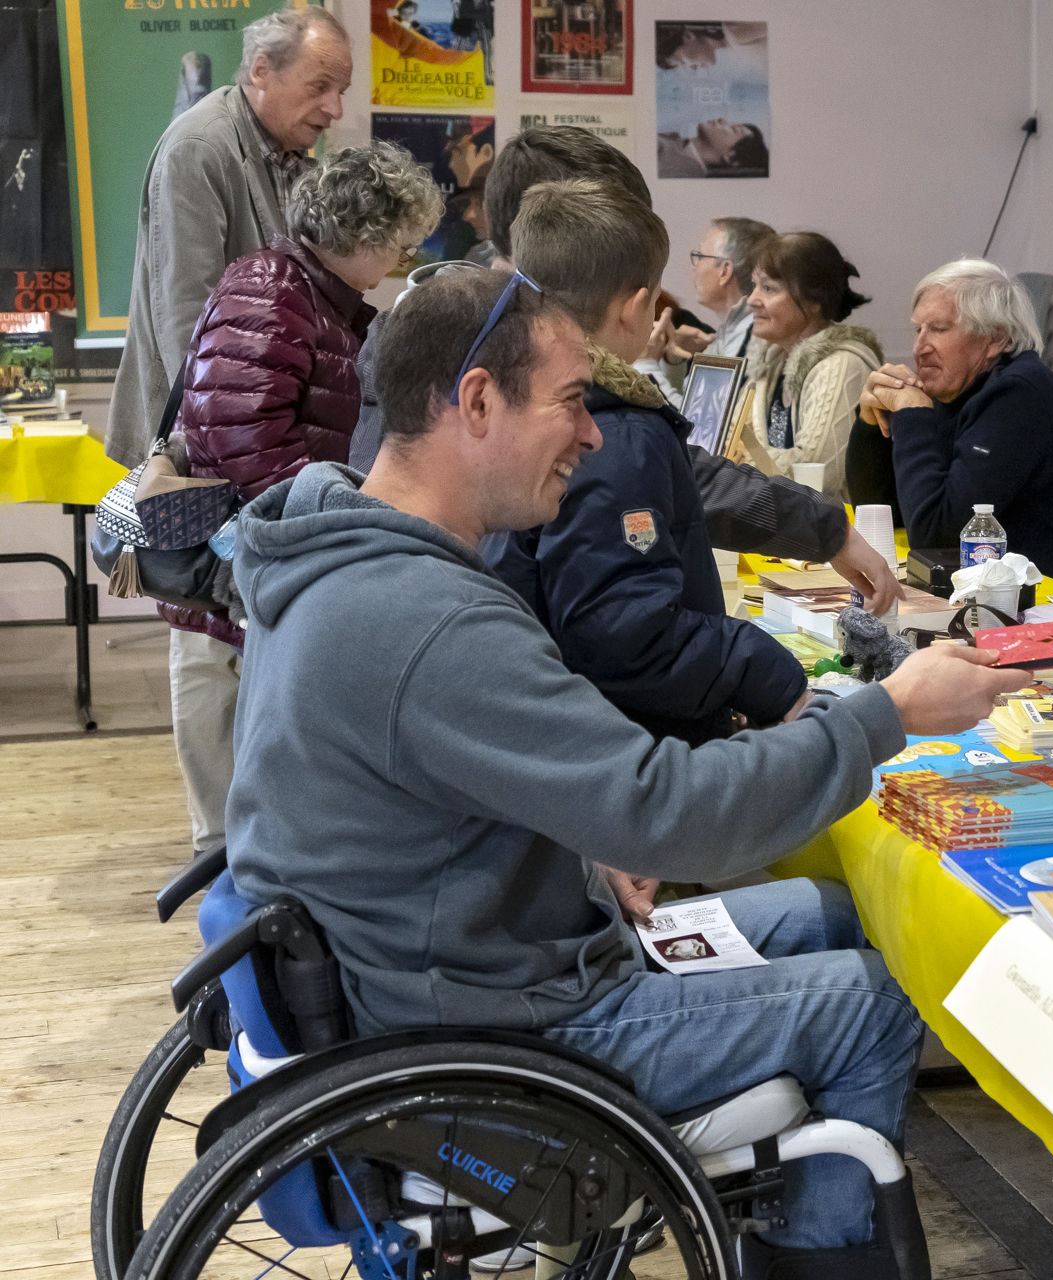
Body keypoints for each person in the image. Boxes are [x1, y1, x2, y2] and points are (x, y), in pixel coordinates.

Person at [225, 268, 1029, 1271]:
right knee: (878, 994)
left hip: (445, 967)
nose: (596, 434)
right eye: (572, 401)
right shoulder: (426, 619)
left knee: (828, 909)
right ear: (477, 401)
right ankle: (814, 1250)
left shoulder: (331, 550)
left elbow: (435, 792)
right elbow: (671, 812)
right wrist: (885, 713)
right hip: (505, 1033)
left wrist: (575, 838)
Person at [352, 126, 898, 611]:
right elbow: (655, 484)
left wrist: (825, 528)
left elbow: (672, 475)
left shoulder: (460, 323)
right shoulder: (510, 351)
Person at [158, 143, 441, 857]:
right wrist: (329, 522)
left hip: (257, 545)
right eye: (402, 242)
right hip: (236, 553)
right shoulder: (273, 292)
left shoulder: (308, 294)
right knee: (224, 720)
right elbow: (239, 436)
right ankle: (230, 879)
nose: (404, 257)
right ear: (367, 237)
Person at [484, 179, 806, 743]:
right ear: (637, 307)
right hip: (624, 745)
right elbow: (626, 637)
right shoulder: (619, 432)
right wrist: (766, 671)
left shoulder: (519, 397)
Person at [104, 4, 351, 470]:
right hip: (204, 441)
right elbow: (186, 317)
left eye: (341, 91)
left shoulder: (291, 150)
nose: (334, 109)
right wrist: (234, 449)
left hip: (259, 429)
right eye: (320, 87)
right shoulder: (199, 148)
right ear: (261, 69)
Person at [860, 259, 1053, 603]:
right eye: (918, 329)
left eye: (939, 328)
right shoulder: (956, 388)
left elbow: (938, 537)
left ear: (994, 340)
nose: (920, 346)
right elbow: (879, 512)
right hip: (1015, 603)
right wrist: (871, 421)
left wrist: (912, 413)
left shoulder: (1020, 394)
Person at [739, 232, 882, 504]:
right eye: (754, 285)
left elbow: (818, 472)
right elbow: (731, 438)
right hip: (787, 526)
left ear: (816, 299)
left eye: (769, 289)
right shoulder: (771, 360)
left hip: (840, 533)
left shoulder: (843, 364)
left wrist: (744, 460)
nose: (752, 299)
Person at [635, 215, 773, 405]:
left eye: (700, 256)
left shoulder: (751, 335)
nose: (694, 267)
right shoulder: (733, 330)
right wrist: (674, 361)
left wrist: (645, 364)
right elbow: (690, 408)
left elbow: (698, 428)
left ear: (724, 271)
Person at [657, 118, 769, 178]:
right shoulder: (676, 145)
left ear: (730, 156)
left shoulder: (682, 171)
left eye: (734, 129)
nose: (723, 120)